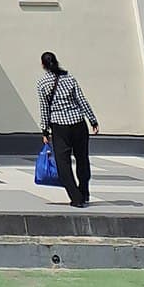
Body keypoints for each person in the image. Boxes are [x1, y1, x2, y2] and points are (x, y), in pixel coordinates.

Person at [38, 50, 98, 206]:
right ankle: (84, 192)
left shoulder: (43, 83)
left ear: (43, 65)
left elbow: (45, 109)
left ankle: (76, 198)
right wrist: (93, 120)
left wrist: (45, 130)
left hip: (60, 127)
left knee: (63, 163)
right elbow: (81, 100)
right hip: (78, 123)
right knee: (82, 159)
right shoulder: (69, 79)